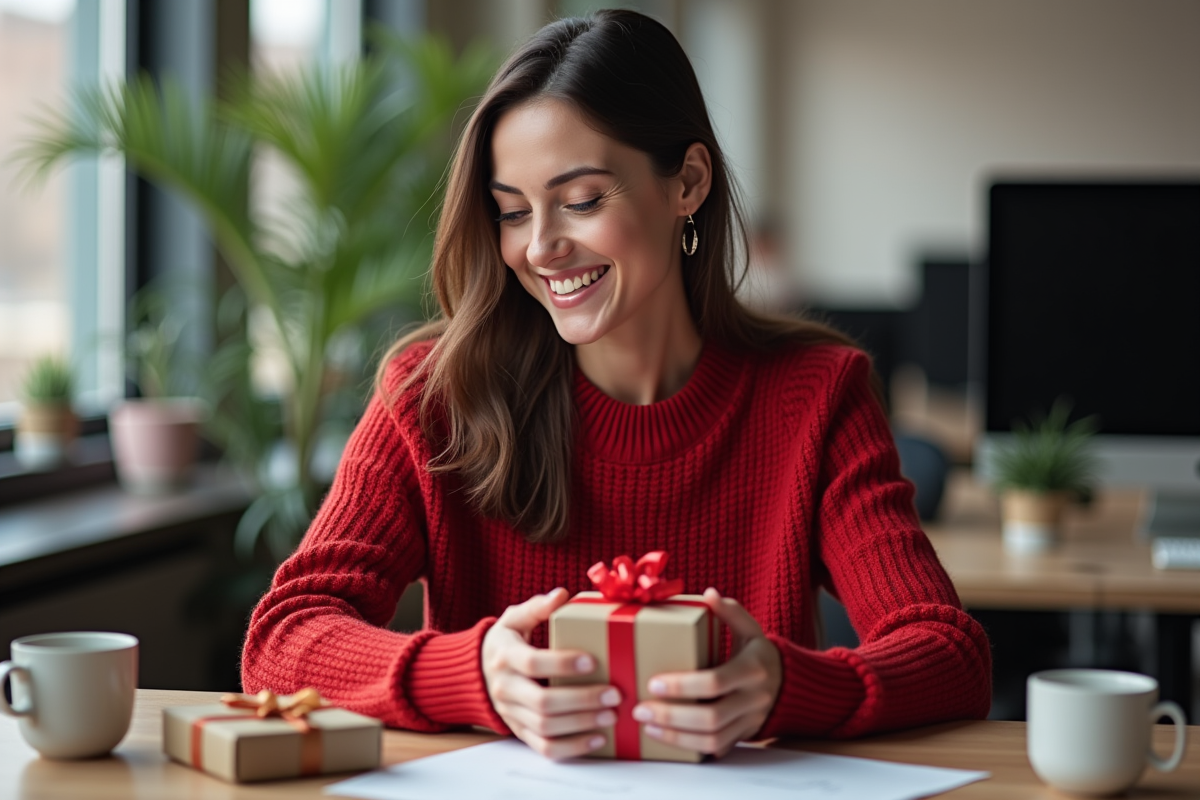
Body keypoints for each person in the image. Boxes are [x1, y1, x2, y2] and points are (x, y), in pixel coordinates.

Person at [241, 9, 991, 760]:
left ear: (687, 183)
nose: (540, 247)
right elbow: (284, 635)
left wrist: (788, 687)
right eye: (511, 211)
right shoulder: (432, 397)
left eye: (583, 200)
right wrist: (470, 673)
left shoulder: (817, 396)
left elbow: (948, 653)